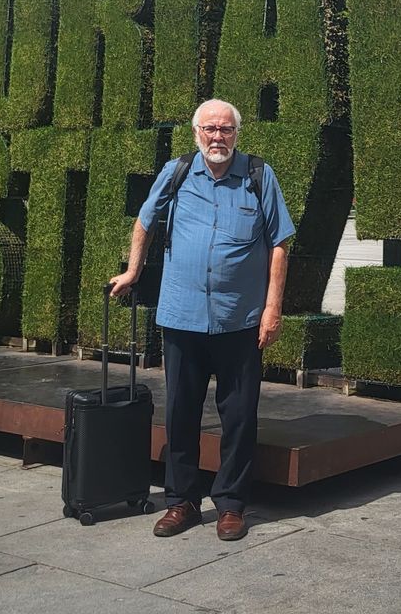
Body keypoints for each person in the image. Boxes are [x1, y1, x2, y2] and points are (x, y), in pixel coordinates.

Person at [110, 99, 294, 542]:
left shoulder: (258, 175)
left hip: (240, 319)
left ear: (237, 134)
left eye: (226, 129)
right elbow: (144, 221)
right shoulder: (177, 172)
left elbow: (280, 243)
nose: (217, 137)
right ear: (196, 133)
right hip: (183, 316)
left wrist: (272, 309)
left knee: (239, 417)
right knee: (180, 413)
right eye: (210, 129)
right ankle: (182, 502)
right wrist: (133, 271)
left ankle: (230, 505)